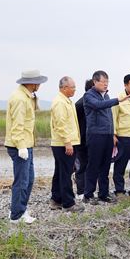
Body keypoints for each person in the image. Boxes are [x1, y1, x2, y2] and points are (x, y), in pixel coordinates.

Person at [83, 70, 130, 205]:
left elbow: (109, 117)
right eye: (103, 82)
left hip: (107, 136)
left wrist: (112, 134)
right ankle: (88, 194)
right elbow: (98, 106)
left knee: (105, 165)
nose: (105, 84)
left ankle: (103, 194)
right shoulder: (89, 96)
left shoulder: (106, 96)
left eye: (107, 82)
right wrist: (118, 100)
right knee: (93, 165)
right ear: (95, 82)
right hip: (95, 135)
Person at [4, 69, 48, 224]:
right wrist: (21, 147)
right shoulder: (20, 99)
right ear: (32, 83)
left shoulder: (27, 96)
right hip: (19, 146)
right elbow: (17, 126)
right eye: (38, 83)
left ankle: (20, 209)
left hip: (26, 144)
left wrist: (34, 97)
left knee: (28, 180)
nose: (39, 85)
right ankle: (16, 216)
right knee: (22, 181)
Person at [49, 76, 84, 212]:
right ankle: (68, 203)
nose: (75, 90)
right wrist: (67, 142)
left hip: (65, 142)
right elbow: (60, 124)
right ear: (64, 88)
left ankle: (56, 199)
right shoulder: (59, 102)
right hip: (63, 143)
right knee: (66, 173)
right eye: (73, 87)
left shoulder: (67, 101)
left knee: (60, 172)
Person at [73, 79, 94, 198]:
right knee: (81, 166)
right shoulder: (80, 104)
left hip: (92, 139)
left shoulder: (94, 103)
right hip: (81, 140)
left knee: (91, 165)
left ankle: (88, 190)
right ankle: (80, 191)